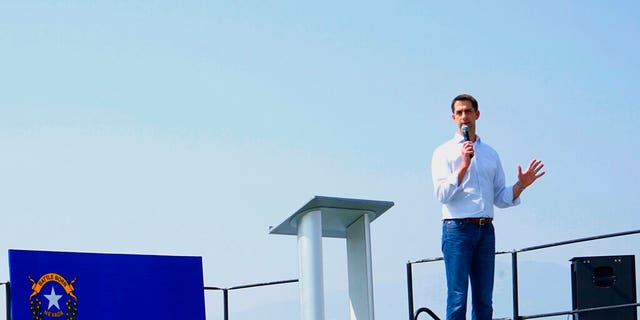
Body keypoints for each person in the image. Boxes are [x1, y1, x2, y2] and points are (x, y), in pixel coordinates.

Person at [431, 94, 545, 320]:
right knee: (457, 297)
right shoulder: (442, 153)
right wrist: (463, 166)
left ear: (477, 115)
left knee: (484, 299)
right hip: (457, 230)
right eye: (460, 112)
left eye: (468, 111)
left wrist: (521, 185)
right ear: (453, 117)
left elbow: (501, 197)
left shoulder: (490, 154)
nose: (465, 116)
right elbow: (442, 194)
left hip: (485, 230)